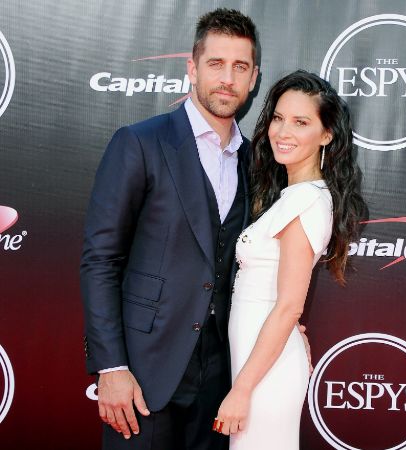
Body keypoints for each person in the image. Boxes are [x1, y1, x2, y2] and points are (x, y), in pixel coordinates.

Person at [80, 8, 265, 450]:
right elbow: (100, 259)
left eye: (240, 67)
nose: (227, 79)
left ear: (254, 77)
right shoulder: (140, 142)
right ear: (192, 69)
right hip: (143, 372)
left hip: (221, 375)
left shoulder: (254, 161)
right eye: (216, 64)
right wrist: (111, 367)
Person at [213, 70, 365, 449]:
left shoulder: (306, 201)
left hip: (265, 373)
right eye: (279, 118)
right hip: (260, 360)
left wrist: (242, 390)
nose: (283, 131)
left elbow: (288, 307)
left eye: (301, 122)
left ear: (326, 134)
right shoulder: (294, 196)